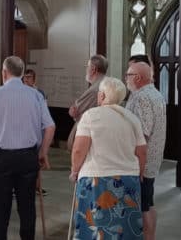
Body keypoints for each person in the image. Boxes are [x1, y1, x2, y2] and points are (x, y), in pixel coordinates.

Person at [0, 56, 55, 240]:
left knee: (0, 209)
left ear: (4, 73)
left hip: (1, 158)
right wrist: (43, 153)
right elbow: (50, 126)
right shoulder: (36, 95)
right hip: (28, 157)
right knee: (27, 207)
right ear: (22, 74)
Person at [70, 77, 147, 239]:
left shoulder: (90, 116)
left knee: (95, 227)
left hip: (96, 180)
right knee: (126, 229)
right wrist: (139, 173)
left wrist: (75, 170)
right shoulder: (132, 118)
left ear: (103, 96)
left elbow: (78, 150)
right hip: (128, 181)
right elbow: (142, 152)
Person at [125, 62, 166, 240]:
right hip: (151, 159)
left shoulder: (141, 97)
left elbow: (142, 133)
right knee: (148, 202)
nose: (125, 78)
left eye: (128, 75)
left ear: (138, 78)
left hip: (142, 161)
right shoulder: (155, 93)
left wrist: (137, 162)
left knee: (143, 206)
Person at [67, 55, 108, 150]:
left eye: (87, 67)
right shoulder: (106, 83)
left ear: (93, 69)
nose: (86, 70)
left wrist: (73, 110)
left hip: (88, 135)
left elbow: (75, 110)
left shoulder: (95, 89)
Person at [22, 68, 48, 196]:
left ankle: (37, 186)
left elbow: (44, 114)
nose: (26, 79)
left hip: (37, 129)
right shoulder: (20, 92)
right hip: (24, 130)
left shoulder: (40, 93)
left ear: (34, 79)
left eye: (29, 77)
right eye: (25, 77)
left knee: (37, 160)